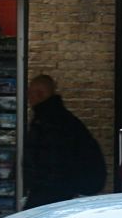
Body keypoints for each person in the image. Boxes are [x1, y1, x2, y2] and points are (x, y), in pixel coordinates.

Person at [24, 74, 106, 206]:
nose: (28, 98)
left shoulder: (48, 123)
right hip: (56, 192)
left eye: (30, 93)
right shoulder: (62, 119)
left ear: (39, 94)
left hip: (51, 194)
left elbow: (52, 161)